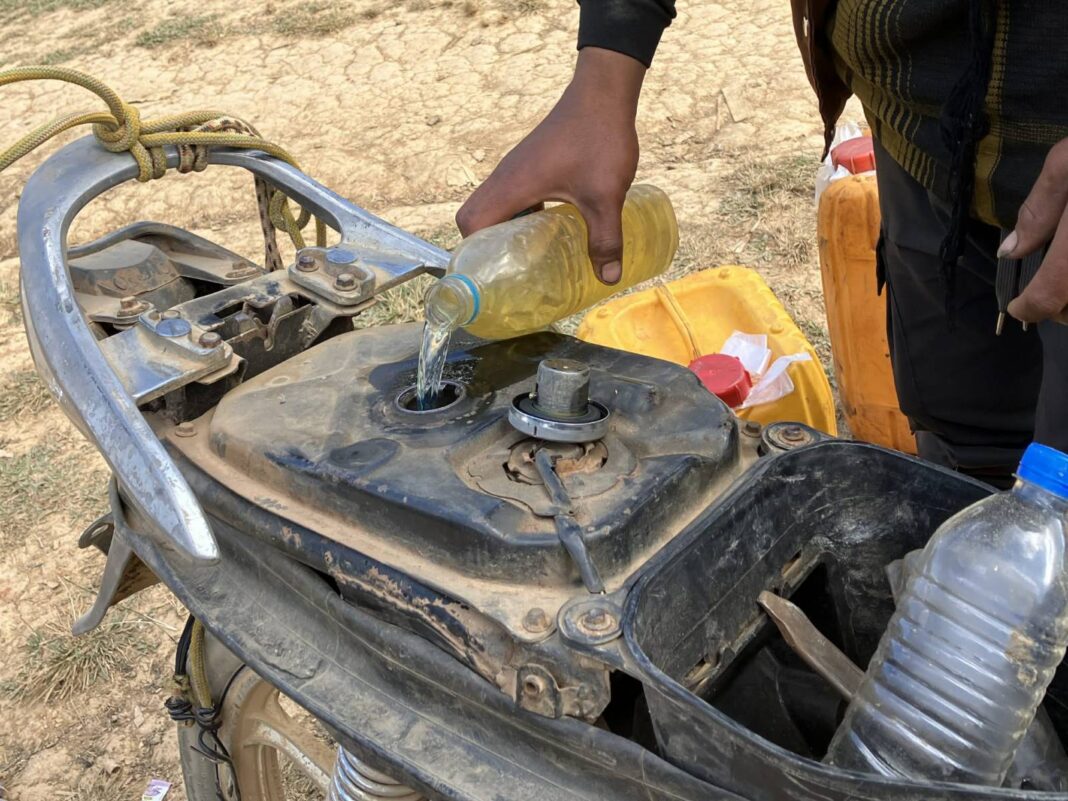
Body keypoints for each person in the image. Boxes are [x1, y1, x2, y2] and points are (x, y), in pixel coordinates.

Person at [457, 0, 1068, 488]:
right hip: (924, 135)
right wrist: (605, 75)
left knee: (1057, 479)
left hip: (1050, 144)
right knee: (962, 437)